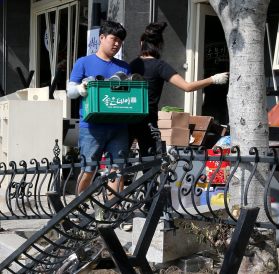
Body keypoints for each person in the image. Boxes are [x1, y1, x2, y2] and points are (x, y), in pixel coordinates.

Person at [129, 22, 229, 156]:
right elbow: (187, 87)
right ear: (159, 45)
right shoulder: (160, 66)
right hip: (148, 120)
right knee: (151, 164)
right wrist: (213, 79)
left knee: (120, 164)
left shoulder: (132, 65)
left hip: (128, 117)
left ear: (142, 43)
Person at [67, 21, 131, 195]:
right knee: (88, 169)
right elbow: (70, 92)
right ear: (102, 37)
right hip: (92, 127)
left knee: (117, 170)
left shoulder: (124, 67)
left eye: (120, 41)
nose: (117, 44)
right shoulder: (84, 62)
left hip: (119, 126)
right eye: (114, 39)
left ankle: (113, 211)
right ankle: (78, 208)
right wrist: (81, 88)